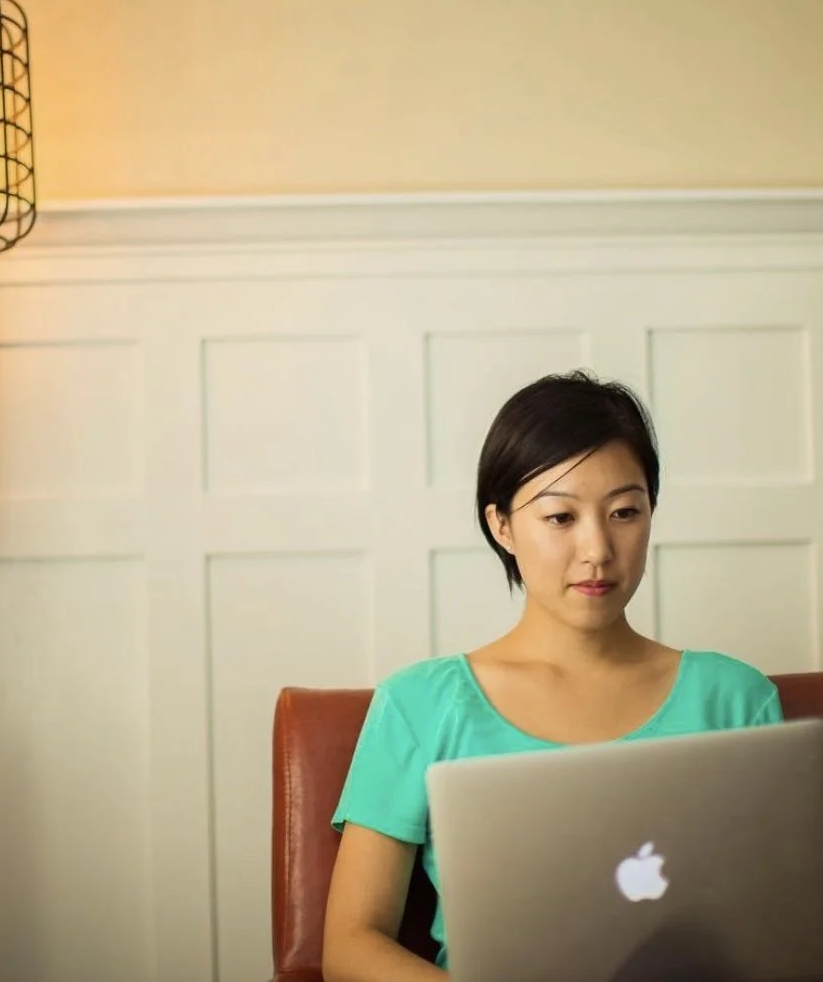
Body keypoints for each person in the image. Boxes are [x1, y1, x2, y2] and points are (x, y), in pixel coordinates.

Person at [322, 370, 784, 982]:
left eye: (624, 511)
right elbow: (350, 944)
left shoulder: (737, 700)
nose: (597, 549)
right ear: (503, 525)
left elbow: (780, 924)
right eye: (561, 519)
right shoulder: (418, 705)